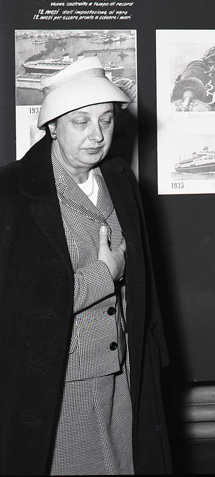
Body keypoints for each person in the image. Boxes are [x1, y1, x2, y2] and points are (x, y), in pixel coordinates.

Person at [0, 57, 172, 475]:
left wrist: (152, 355)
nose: (97, 135)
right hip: (59, 380)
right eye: (81, 122)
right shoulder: (13, 192)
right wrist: (104, 275)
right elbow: (19, 306)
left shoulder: (118, 177)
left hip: (125, 371)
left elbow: (146, 280)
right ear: (52, 127)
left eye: (106, 120)